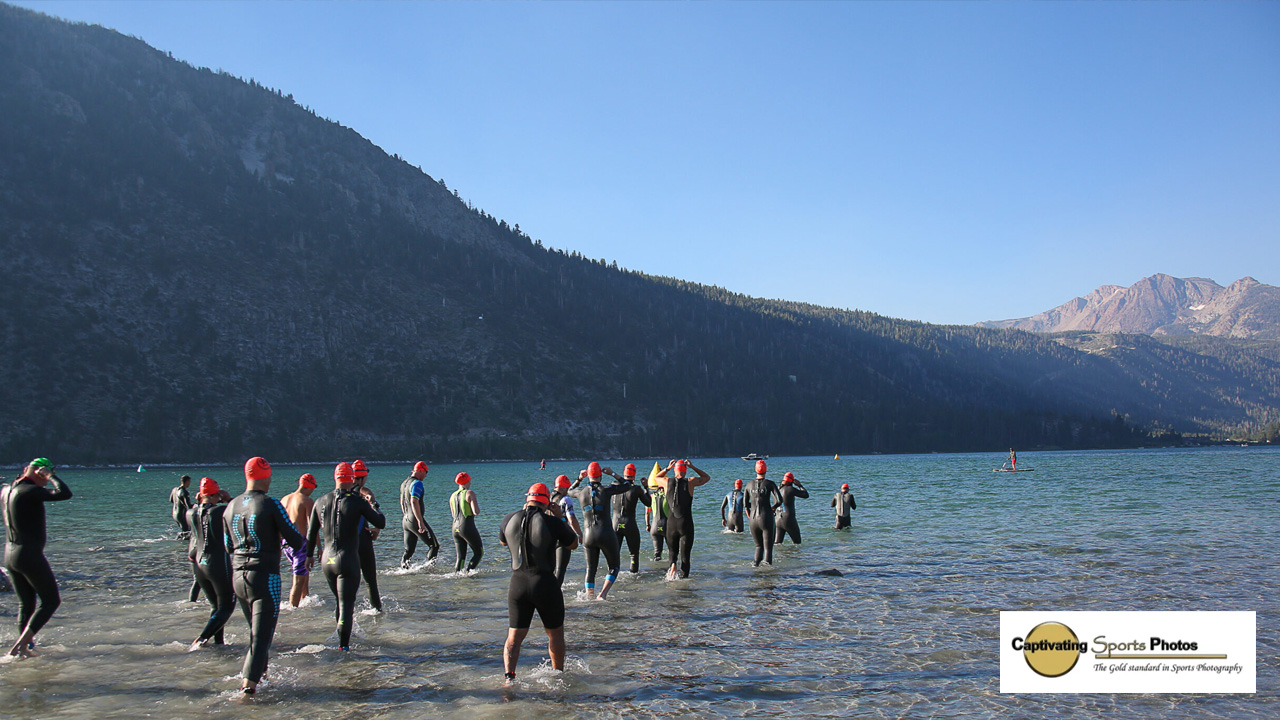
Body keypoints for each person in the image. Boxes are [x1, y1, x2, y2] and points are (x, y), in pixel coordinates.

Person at [224, 456, 305, 694]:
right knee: (261, 639)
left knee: (255, 633)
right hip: (264, 577)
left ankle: (263, 676)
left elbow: (229, 545)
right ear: (266, 477)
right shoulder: (270, 504)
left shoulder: (231, 506)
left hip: (238, 578)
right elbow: (296, 539)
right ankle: (247, 690)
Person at [498, 483, 578, 682]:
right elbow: (573, 543)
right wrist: (558, 516)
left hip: (517, 584)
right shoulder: (552, 522)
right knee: (555, 634)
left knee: (514, 638)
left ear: (528, 498)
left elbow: (503, 541)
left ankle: (509, 679)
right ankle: (558, 676)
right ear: (547, 502)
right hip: (544, 584)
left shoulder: (509, 519)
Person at [308, 462, 386, 651]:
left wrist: (309, 556)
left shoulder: (320, 501)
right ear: (351, 479)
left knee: (340, 603)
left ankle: (341, 637)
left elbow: (311, 534)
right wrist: (373, 504)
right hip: (347, 559)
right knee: (346, 605)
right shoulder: (357, 501)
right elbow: (380, 522)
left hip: (327, 560)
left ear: (335, 478)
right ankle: (343, 649)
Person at [1, 458, 72, 657]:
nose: (45, 481)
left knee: (27, 603)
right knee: (51, 601)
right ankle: (19, 647)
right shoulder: (29, 491)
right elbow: (64, 494)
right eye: (44, 475)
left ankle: (27, 648)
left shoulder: (7, 490)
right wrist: (51, 477)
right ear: (39, 473)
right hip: (28, 555)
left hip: (10, 555)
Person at [568, 462, 628, 599]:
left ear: (588, 475)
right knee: (614, 567)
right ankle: (602, 594)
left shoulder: (581, 491)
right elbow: (627, 485)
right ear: (600, 475)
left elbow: (569, 490)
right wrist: (613, 473)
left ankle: (589, 596)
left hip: (588, 535)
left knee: (590, 569)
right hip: (606, 533)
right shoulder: (607, 490)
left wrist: (579, 478)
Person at [187, 477, 234, 649]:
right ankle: (201, 640)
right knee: (227, 606)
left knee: (216, 607)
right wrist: (227, 499)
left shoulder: (190, 513)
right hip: (217, 564)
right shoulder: (219, 512)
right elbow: (240, 509)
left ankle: (219, 643)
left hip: (199, 564)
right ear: (216, 495)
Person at [652, 459, 711, 579]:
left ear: (675, 470)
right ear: (685, 470)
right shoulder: (691, 481)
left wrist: (667, 468)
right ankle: (684, 583)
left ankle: (672, 568)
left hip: (671, 524)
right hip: (686, 524)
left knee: (672, 554)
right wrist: (693, 467)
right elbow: (706, 477)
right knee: (685, 557)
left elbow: (656, 477)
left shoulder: (666, 481)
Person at [280, 473, 317, 607]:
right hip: (299, 543)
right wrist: (318, 547)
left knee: (303, 572)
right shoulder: (306, 501)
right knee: (298, 580)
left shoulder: (284, 499)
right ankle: (293, 609)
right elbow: (312, 527)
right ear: (310, 487)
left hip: (285, 543)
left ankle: (304, 600)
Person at [351, 459, 383, 612]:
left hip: (344, 543)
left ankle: (345, 616)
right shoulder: (366, 493)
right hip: (363, 540)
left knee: (348, 582)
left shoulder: (338, 494)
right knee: (370, 581)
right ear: (363, 477)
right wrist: (376, 528)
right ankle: (377, 612)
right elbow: (377, 518)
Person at [610, 463, 651, 573]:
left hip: (615, 524)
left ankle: (612, 575)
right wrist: (646, 487)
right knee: (633, 554)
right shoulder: (637, 489)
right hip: (630, 524)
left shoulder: (613, 485)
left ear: (624, 473)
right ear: (634, 475)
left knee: (615, 553)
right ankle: (634, 578)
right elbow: (649, 503)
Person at [399, 461, 439, 568]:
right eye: (426, 472)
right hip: (415, 520)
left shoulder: (404, 483)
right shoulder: (417, 483)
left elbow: (401, 501)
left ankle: (404, 570)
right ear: (420, 471)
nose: (426, 475)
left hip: (406, 520)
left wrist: (406, 516)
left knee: (409, 550)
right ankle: (430, 570)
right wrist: (420, 522)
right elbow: (414, 501)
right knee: (434, 546)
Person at [744, 460, 782, 567]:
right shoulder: (770, 484)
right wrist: (773, 508)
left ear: (755, 469)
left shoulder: (748, 484)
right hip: (766, 517)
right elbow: (779, 500)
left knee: (758, 546)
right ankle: (768, 575)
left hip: (753, 519)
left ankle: (755, 569)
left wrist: (749, 515)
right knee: (768, 548)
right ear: (766, 469)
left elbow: (745, 504)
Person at [550, 474, 581, 586]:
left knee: (551, 570)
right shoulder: (565, 499)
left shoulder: (549, 497)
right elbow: (572, 520)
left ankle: (546, 593)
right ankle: (554, 596)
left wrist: (579, 479)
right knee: (560, 570)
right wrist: (579, 534)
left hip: (549, 537)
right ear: (563, 488)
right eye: (567, 489)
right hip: (562, 537)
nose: (568, 491)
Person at [449, 472, 483, 572]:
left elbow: (453, 514)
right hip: (466, 526)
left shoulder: (452, 495)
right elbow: (476, 512)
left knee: (460, 557)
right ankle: (469, 572)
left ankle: (457, 575)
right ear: (468, 481)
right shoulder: (470, 493)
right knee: (479, 553)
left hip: (455, 528)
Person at [774, 472, 810, 545]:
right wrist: (800, 485)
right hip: (788, 519)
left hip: (777, 518)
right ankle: (795, 556)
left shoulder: (776, 488)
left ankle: (778, 556)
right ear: (791, 481)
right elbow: (806, 495)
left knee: (777, 544)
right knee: (797, 543)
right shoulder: (790, 489)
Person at [646, 474, 667, 562]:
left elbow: (647, 513)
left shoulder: (651, 497)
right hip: (667, 526)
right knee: (673, 551)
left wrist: (648, 525)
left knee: (657, 553)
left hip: (655, 527)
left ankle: (656, 571)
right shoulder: (668, 496)